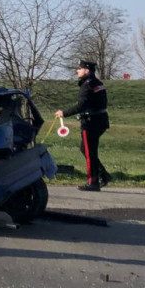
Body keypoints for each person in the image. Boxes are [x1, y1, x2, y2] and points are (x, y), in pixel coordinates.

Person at [56, 59, 110, 192]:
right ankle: (103, 174)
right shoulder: (98, 83)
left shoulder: (87, 85)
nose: (77, 71)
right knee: (86, 149)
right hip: (101, 120)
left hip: (90, 122)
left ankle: (93, 182)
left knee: (89, 152)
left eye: (79, 68)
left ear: (86, 70)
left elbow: (81, 106)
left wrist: (64, 113)